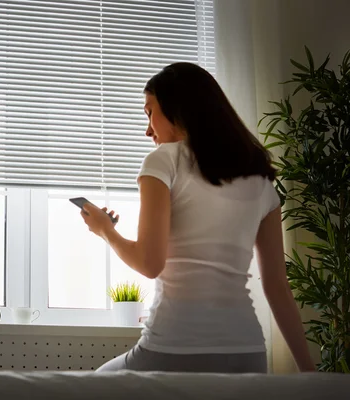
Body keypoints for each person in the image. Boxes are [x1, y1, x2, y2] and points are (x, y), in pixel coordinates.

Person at [81, 62, 315, 374]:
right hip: (248, 353)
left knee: (95, 384)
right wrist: (309, 373)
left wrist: (105, 231)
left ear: (178, 110)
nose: (147, 129)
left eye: (150, 112)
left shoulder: (163, 160)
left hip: (173, 349)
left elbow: (149, 264)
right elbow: (277, 287)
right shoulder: (260, 179)